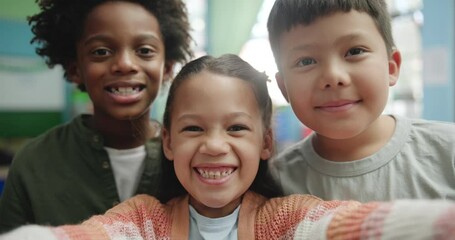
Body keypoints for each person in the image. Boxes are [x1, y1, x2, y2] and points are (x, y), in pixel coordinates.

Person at [2, 54, 455, 240]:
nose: (215, 146)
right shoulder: (146, 220)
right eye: (194, 129)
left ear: (264, 142)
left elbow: (350, 226)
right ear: (169, 142)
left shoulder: (286, 218)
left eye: (236, 128)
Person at [0, 0, 193, 233]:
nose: (125, 64)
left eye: (144, 51)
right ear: (75, 69)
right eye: (101, 52)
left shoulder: (192, 160)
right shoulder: (33, 163)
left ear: (167, 68)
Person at [266, 0, 455, 202]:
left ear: (391, 67)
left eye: (355, 51)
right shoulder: (274, 182)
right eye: (306, 61)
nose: (333, 77)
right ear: (284, 87)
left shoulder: (447, 151)